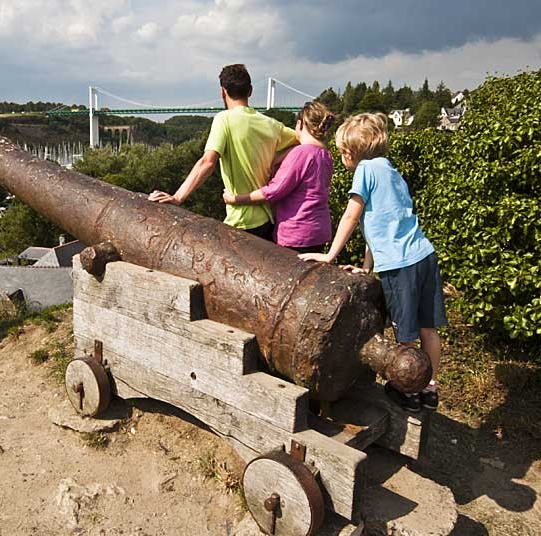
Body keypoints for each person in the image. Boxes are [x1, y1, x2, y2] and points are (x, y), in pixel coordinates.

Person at [298, 112, 446, 412]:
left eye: (341, 153)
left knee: (404, 333)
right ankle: (430, 388)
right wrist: (366, 267)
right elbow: (378, 225)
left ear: (350, 152)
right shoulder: (392, 171)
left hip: (400, 264)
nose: (342, 158)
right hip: (424, 255)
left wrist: (330, 254)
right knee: (428, 329)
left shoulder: (365, 170)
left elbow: (353, 215)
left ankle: (409, 389)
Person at [148, 64, 298, 240]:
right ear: (250, 91)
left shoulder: (223, 119)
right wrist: (276, 159)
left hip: (240, 220)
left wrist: (177, 197)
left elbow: (207, 162)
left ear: (223, 92)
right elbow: (303, 141)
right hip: (267, 219)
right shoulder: (271, 124)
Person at [222, 101, 334, 253]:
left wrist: (235, 199)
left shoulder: (301, 153)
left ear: (300, 124)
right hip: (319, 229)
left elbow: (274, 191)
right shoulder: (325, 155)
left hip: (297, 231)